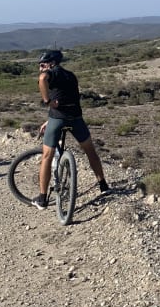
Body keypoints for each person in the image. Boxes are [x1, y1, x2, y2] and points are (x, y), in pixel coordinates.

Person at [34, 50, 108, 209]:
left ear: (51, 63)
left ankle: (42, 198)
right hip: (75, 118)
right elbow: (68, 97)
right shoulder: (71, 75)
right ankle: (103, 185)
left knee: (47, 155)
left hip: (58, 119)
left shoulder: (51, 73)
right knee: (90, 151)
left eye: (42, 65)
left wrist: (47, 101)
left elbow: (42, 79)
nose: (41, 69)